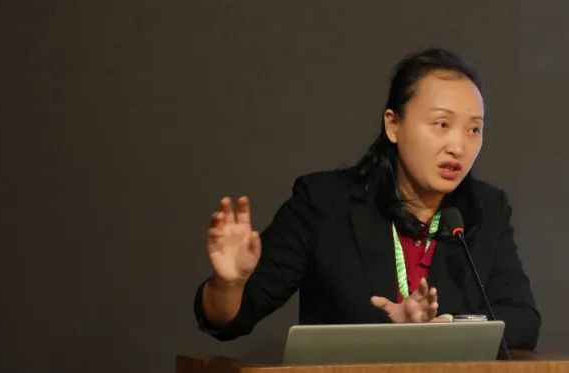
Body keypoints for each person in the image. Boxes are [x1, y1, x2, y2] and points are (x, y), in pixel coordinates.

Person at [194, 48, 540, 350]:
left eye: (474, 129)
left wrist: (442, 330)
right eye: (441, 124)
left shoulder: (486, 208)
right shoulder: (326, 203)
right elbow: (230, 320)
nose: (459, 146)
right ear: (393, 125)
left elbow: (523, 320)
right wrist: (228, 285)